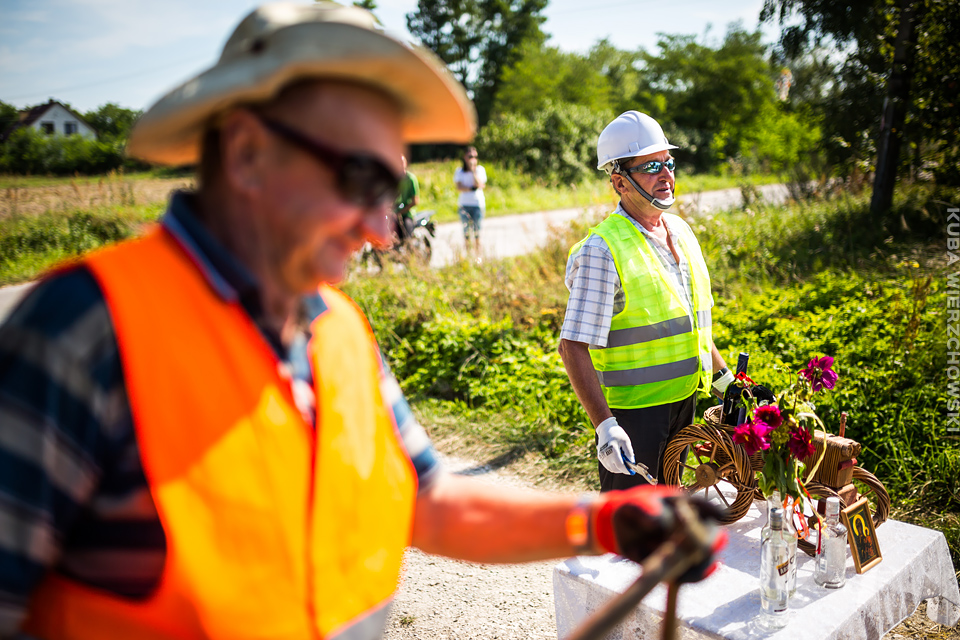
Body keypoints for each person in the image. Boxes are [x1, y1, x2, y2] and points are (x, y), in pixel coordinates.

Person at [0, 7, 725, 638]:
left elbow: (428, 502)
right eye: (361, 182)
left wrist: (604, 523)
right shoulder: (81, 333)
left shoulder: (338, 328)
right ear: (248, 153)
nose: (382, 230)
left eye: (394, 187)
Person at [558, 111, 736, 493]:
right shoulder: (602, 250)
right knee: (630, 525)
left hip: (684, 403)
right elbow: (572, 346)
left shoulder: (682, 232)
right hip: (633, 417)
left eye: (668, 163)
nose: (666, 174)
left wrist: (726, 380)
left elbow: (691, 324)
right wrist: (605, 427)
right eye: (652, 166)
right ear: (619, 182)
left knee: (668, 511)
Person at [454, 145, 486, 256]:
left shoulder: (480, 170)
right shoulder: (459, 171)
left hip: (477, 204)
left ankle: (478, 257)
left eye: (475, 157)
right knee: (466, 233)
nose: (473, 159)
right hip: (464, 204)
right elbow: (459, 187)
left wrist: (473, 171)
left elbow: (479, 184)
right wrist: (471, 188)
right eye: (470, 156)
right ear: (465, 157)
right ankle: (468, 256)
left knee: (477, 233)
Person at [393, 154, 419, 242]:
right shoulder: (392, 179)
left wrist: (400, 212)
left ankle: (409, 247)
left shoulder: (410, 179)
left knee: (406, 237)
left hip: (406, 214)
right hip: (393, 214)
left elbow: (415, 201)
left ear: (405, 163)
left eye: (401, 162)